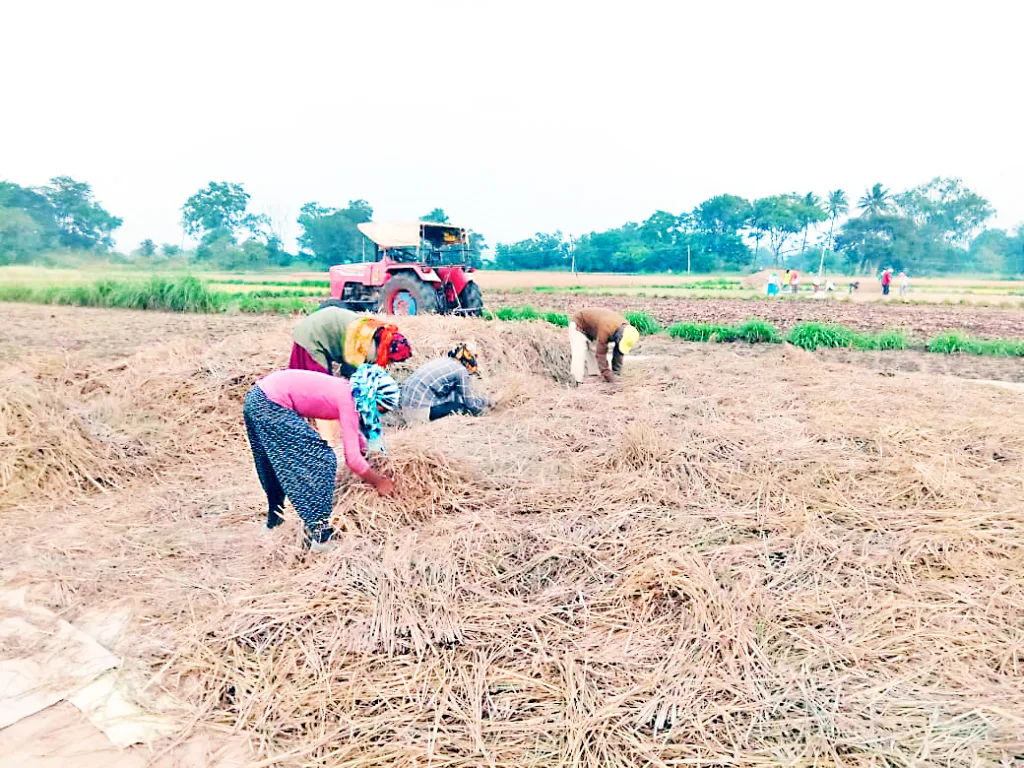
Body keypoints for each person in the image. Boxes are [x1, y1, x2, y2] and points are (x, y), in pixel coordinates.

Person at [242, 365, 400, 552]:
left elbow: (355, 437)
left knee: (272, 462)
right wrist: (379, 481)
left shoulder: (348, 390)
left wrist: (369, 458)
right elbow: (352, 458)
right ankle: (321, 537)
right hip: (270, 403)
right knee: (322, 460)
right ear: (371, 397)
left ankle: (274, 521)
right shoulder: (350, 401)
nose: (379, 414)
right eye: (381, 408)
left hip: (257, 397)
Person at [290, 306, 412, 377]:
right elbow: (349, 373)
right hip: (314, 334)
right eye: (392, 360)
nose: (390, 363)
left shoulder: (379, 332)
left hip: (321, 323)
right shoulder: (367, 349)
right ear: (388, 353)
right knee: (317, 382)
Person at [401, 343, 488, 423]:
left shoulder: (444, 361)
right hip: (420, 413)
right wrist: (486, 404)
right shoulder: (461, 370)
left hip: (406, 412)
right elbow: (471, 405)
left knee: (451, 398)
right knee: (460, 407)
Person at [568, 308, 640, 385]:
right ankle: (576, 381)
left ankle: (594, 377)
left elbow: (619, 351)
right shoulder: (607, 328)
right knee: (579, 351)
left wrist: (616, 374)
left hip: (591, 328)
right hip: (579, 323)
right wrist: (608, 375)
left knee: (593, 350)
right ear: (620, 336)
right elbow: (601, 354)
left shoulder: (625, 329)